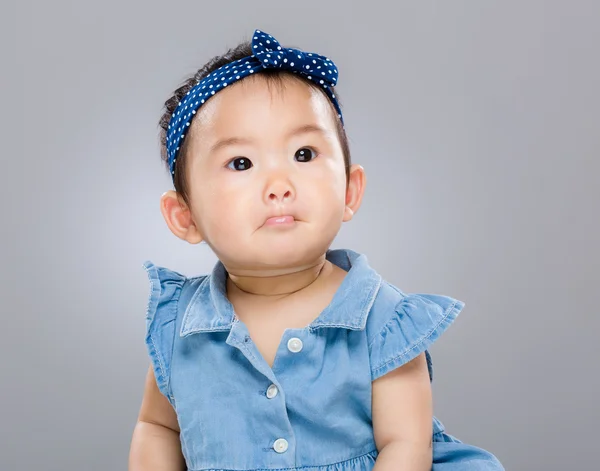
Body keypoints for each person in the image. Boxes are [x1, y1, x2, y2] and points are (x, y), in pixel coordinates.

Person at [128, 29, 504, 471]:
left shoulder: (383, 318)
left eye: (304, 154)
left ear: (350, 190)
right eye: (241, 163)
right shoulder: (178, 328)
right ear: (184, 216)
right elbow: (157, 427)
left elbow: (406, 445)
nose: (279, 186)